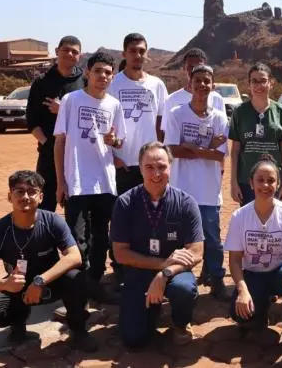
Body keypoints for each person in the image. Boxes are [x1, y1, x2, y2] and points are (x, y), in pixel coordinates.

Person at [0, 170, 98, 352]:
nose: (25, 197)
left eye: (32, 192)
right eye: (19, 191)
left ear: (40, 197)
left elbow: (74, 256)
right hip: (17, 286)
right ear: (10, 196)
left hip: (50, 282)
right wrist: (6, 284)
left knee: (76, 278)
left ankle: (78, 330)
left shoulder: (52, 221)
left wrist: (40, 281)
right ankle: (18, 323)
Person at [111, 142, 204, 348]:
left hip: (175, 272)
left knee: (184, 289)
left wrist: (165, 273)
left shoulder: (186, 203)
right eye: (149, 167)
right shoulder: (125, 203)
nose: (156, 174)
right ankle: (151, 308)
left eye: (162, 167)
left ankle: (180, 323)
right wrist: (162, 264)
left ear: (171, 167)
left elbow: (196, 252)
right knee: (134, 339)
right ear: (140, 168)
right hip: (139, 271)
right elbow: (120, 254)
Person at [53, 52, 127, 302]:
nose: (102, 76)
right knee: (76, 239)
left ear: (112, 77)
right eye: (98, 71)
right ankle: (77, 289)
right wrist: (60, 182)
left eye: (107, 72)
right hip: (76, 182)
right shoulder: (71, 101)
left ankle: (95, 283)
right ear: (87, 72)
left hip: (104, 182)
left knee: (101, 238)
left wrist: (113, 141)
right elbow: (60, 143)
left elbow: (119, 141)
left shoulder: (114, 105)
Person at [224, 159, 282, 354]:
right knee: (242, 317)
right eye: (260, 180)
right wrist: (242, 290)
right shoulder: (240, 216)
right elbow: (235, 260)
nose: (265, 185)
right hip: (253, 275)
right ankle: (260, 310)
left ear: (278, 183)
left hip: (281, 273)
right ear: (251, 183)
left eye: (271, 180)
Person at [164, 64, 230, 301]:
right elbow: (172, 150)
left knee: (212, 239)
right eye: (198, 80)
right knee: (178, 238)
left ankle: (217, 279)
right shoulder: (176, 114)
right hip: (181, 188)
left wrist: (192, 147)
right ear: (190, 84)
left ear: (213, 86)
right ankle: (177, 279)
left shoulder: (220, 117)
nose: (202, 85)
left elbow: (220, 155)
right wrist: (207, 147)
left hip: (208, 191)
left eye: (206, 81)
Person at [26, 35, 84, 212]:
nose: (70, 54)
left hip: (78, 154)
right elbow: (32, 120)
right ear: (57, 51)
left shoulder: (84, 82)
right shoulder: (42, 82)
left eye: (74, 51)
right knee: (44, 206)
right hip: (49, 154)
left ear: (79, 56)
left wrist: (64, 109)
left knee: (77, 208)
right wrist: (46, 142)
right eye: (66, 49)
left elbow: (89, 116)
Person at [108, 33, 168, 195]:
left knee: (151, 209)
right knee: (121, 210)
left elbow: (162, 124)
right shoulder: (112, 84)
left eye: (142, 51)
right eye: (133, 51)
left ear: (147, 54)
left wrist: (161, 156)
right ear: (124, 54)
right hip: (122, 164)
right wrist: (113, 159)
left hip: (150, 165)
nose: (138, 55)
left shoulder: (157, 85)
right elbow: (103, 124)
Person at [229, 63, 282, 206]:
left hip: (273, 181)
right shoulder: (239, 112)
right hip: (247, 181)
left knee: (274, 218)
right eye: (254, 81)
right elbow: (235, 150)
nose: (259, 85)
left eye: (263, 81)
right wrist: (233, 182)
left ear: (271, 83)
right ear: (249, 84)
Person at [160, 48, 226, 133]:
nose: (194, 70)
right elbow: (167, 133)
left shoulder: (217, 99)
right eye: (190, 67)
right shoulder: (171, 100)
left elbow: (222, 132)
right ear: (184, 69)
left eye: (198, 66)